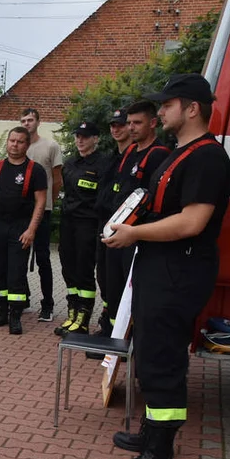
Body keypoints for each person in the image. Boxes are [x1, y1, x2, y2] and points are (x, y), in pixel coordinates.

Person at [103, 73, 230, 459]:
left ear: (192, 108)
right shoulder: (180, 153)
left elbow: (192, 222)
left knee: (163, 361)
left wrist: (135, 233)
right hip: (160, 269)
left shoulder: (207, 157)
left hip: (179, 271)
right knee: (152, 355)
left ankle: (159, 458)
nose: (160, 111)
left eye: (168, 104)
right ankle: (150, 435)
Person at [102, 100, 170, 333]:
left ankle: (128, 339)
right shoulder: (130, 151)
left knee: (131, 291)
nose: (131, 127)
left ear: (153, 123)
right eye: (129, 123)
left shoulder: (159, 155)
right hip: (117, 230)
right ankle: (113, 335)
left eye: (137, 123)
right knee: (113, 286)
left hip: (136, 236)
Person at [0, 127, 47, 335]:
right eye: (12, 141)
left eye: (20, 142)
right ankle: (1, 312)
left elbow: (40, 202)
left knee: (16, 273)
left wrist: (31, 230)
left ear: (27, 145)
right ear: (7, 142)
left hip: (20, 227)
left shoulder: (36, 170)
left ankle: (15, 316)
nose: (15, 145)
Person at [54, 121, 108, 337]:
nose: (80, 140)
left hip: (88, 224)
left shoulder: (103, 164)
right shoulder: (70, 163)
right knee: (69, 270)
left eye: (85, 137)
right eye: (78, 136)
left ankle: (83, 320)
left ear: (95, 139)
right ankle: (72, 314)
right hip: (69, 223)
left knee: (84, 271)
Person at [19, 108, 61, 322]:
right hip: (22, 211)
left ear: (38, 121)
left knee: (43, 258)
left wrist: (48, 203)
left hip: (43, 211)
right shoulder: (19, 147)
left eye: (30, 120)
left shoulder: (50, 146)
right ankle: (23, 299)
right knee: (20, 255)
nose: (27, 123)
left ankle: (48, 304)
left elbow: (57, 179)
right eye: (23, 120)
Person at [93, 107, 133, 336]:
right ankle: (110, 324)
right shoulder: (112, 158)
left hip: (125, 231)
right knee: (105, 279)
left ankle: (120, 332)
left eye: (121, 124)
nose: (116, 129)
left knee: (120, 282)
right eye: (113, 125)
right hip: (104, 225)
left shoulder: (137, 157)